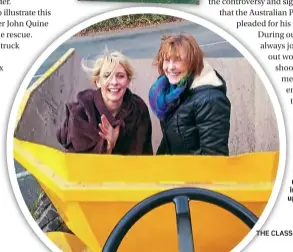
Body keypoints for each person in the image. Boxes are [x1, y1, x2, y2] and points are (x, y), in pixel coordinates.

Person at [57, 51, 153, 155]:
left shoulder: (139, 110)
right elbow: (81, 165)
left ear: (128, 81)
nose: (114, 82)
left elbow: (145, 156)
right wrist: (108, 146)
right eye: (107, 76)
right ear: (98, 81)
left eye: (120, 76)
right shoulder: (80, 114)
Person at [149, 34, 231, 155]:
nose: (170, 67)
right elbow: (169, 141)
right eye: (167, 60)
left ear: (192, 62)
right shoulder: (175, 92)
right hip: (175, 171)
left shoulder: (209, 100)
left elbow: (214, 159)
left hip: (193, 173)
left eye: (178, 60)